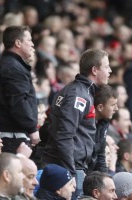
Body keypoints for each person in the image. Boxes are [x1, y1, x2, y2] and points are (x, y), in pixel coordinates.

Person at [42, 49, 111, 198]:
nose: (110, 71)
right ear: (95, 70)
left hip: (67, 166)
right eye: (106, 67)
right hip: (67, 168)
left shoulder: (79, 91)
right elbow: (64, 135)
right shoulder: (78, 95)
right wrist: (71, 172)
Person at [0, 26, 40, 153]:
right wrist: (32, 128)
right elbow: (18, 101)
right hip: (12, 136)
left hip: (10, 133)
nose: (32, 44)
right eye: (29, 40)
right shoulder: (13, 68)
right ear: (18, 43)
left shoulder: (7, 64)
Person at [89, 84, 118, 173]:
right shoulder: (86, 125)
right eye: (113, 105)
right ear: (100, 107)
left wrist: (105, 179)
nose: (116, 109)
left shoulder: (103, 122)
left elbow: (100, 156)